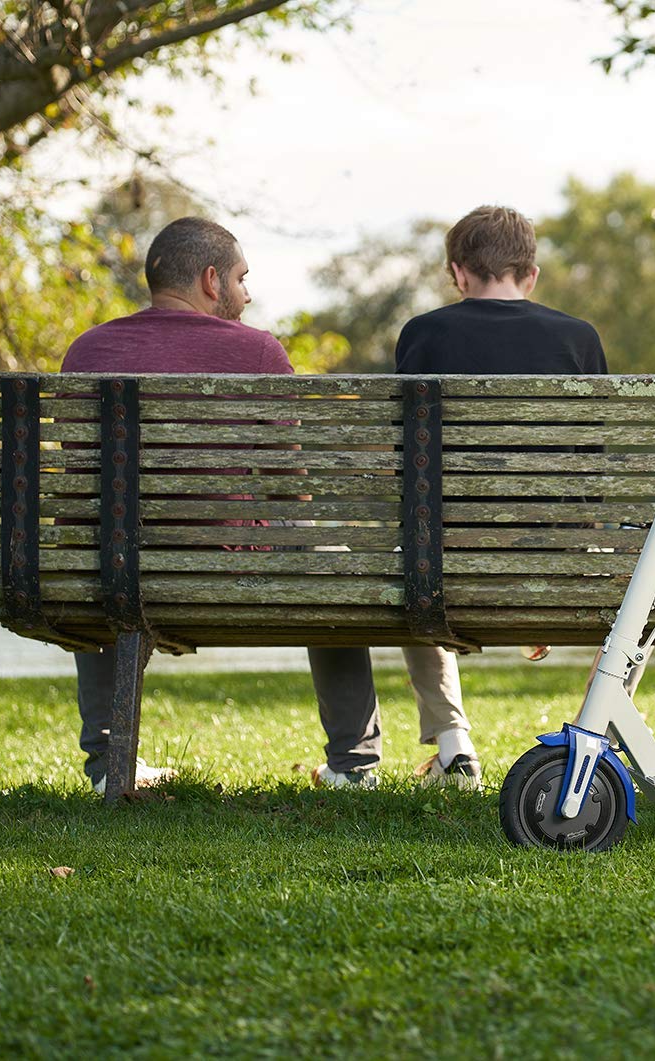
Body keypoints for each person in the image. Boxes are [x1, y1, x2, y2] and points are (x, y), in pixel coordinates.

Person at [62, 216, 385, 794]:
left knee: (105, 545)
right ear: (212, 281)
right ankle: (351, 766)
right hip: (228, 566)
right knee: (331, 559)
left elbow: (85, 479)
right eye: (241, 278)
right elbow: (289, 483)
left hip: (114, 567)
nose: (247, 293)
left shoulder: (88, 350)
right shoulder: (256, 350)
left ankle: (109, 762)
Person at [393, 205, 611, 785]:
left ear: (459, 274)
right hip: (556, 559)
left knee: (415, 553)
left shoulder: (423, 335)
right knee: (643, 599)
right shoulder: (579, 340)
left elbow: (407, 467)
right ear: (531, 274)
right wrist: (549, 567)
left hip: (446, 561)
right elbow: (593, 470)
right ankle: (593, 736)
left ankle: (453, 746)